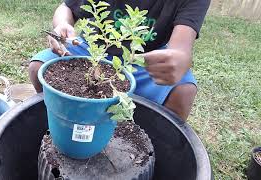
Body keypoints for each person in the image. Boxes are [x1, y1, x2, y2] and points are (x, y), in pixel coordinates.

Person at [29, 0, 211, 121]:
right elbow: (66, 7)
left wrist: (179, 59)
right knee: (39, 67)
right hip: (92, 50)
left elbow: (181, 48)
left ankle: (149, 142)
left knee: (183, 92)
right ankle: (58, 120)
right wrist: (62, 25)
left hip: (144, 59)